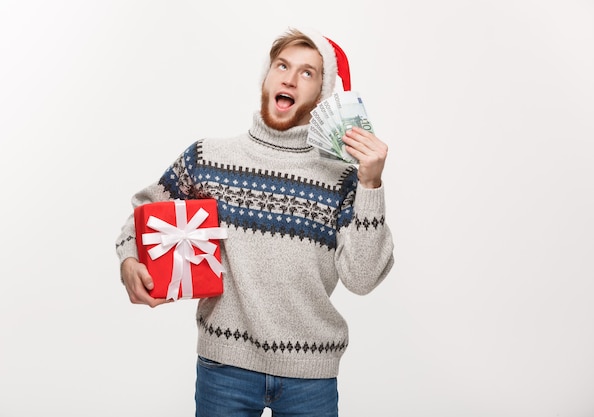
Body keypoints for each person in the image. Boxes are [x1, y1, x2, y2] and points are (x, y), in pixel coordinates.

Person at [115, 27, 395, 417]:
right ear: (267, 76)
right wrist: (129, 260)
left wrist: (370, 182)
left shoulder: (345, 181)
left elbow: (362, 278)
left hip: (310, 376)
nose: (290, 77)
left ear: (323, 94)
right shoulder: (207, 158)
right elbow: (144, 211)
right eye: (282, 65)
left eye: (307, 73)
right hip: (224, 369)